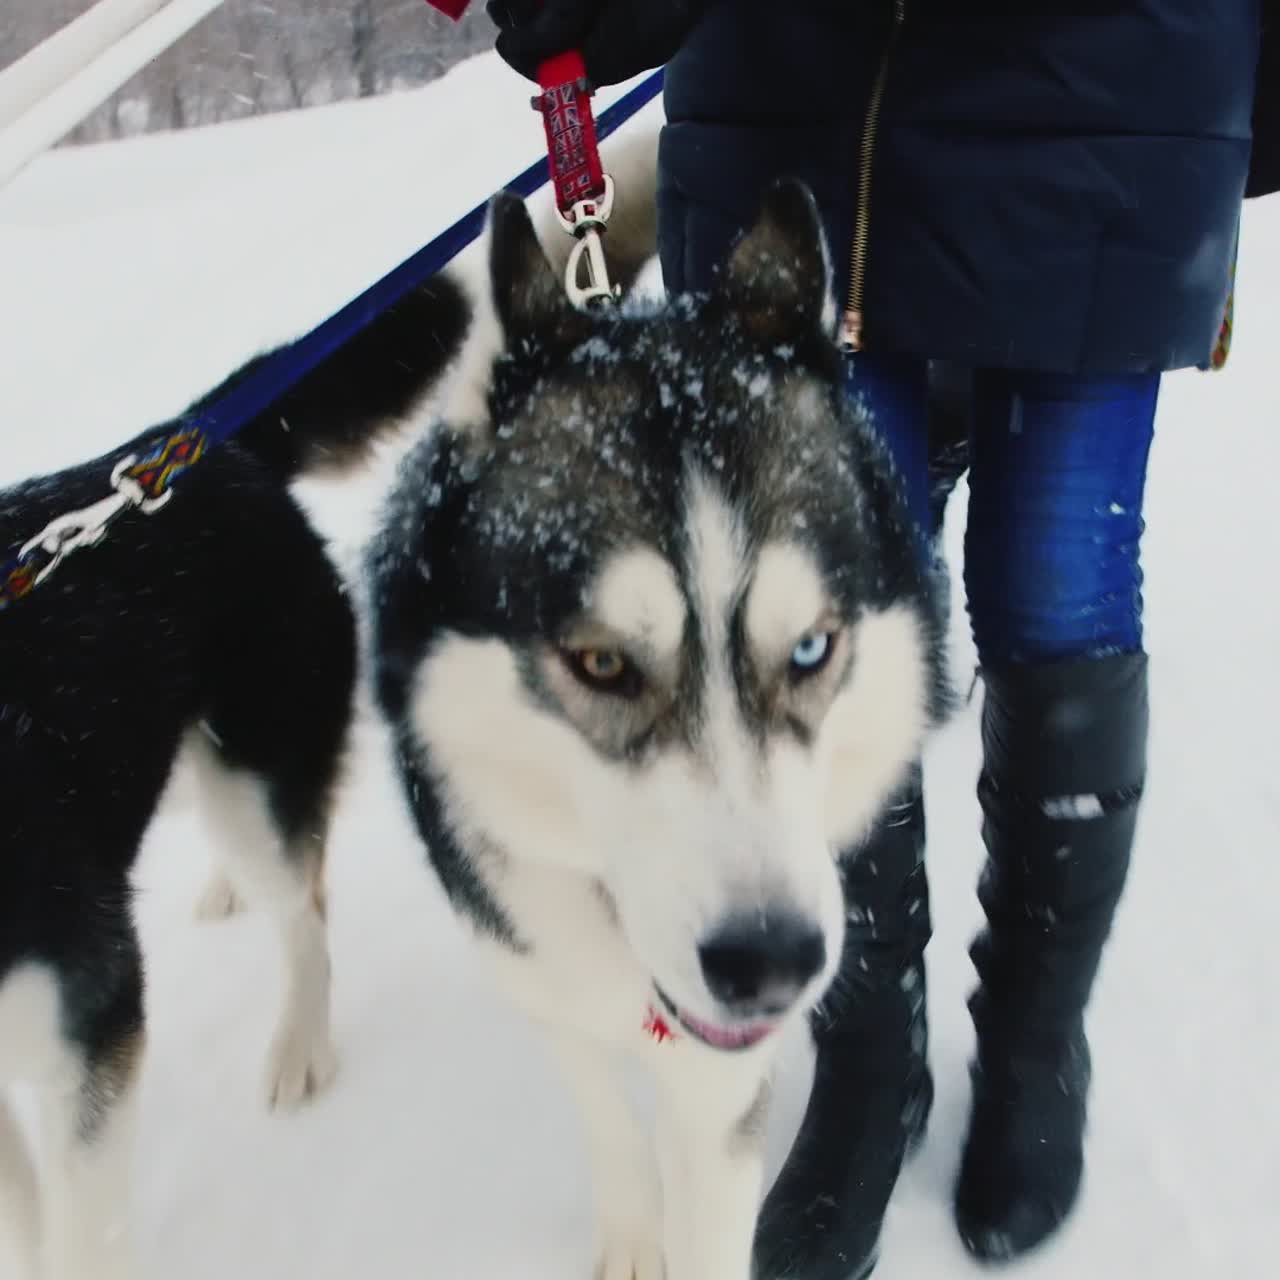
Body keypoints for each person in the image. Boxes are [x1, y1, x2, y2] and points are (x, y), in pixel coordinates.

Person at [488, 2, 1276, 1276]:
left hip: (1116, 82)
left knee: (1060, 591)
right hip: (803, 98)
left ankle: (1032, 1044)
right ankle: (867, 1060)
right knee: (809, 610)